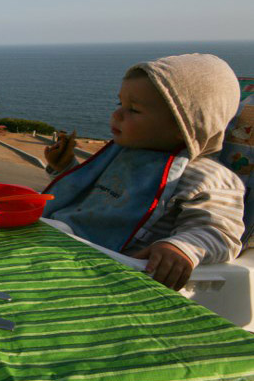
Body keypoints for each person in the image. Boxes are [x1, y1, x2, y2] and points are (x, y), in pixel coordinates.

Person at [43, 53, 245, 291]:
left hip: (120, 276)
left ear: (185, 127)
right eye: (120, 104)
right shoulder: (124, 154)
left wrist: (180, 247)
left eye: (134, 110)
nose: (117, 115)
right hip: (67, 251)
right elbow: (99, 196)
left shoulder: (206, 178)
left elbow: (219, 231)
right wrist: (64, 166)